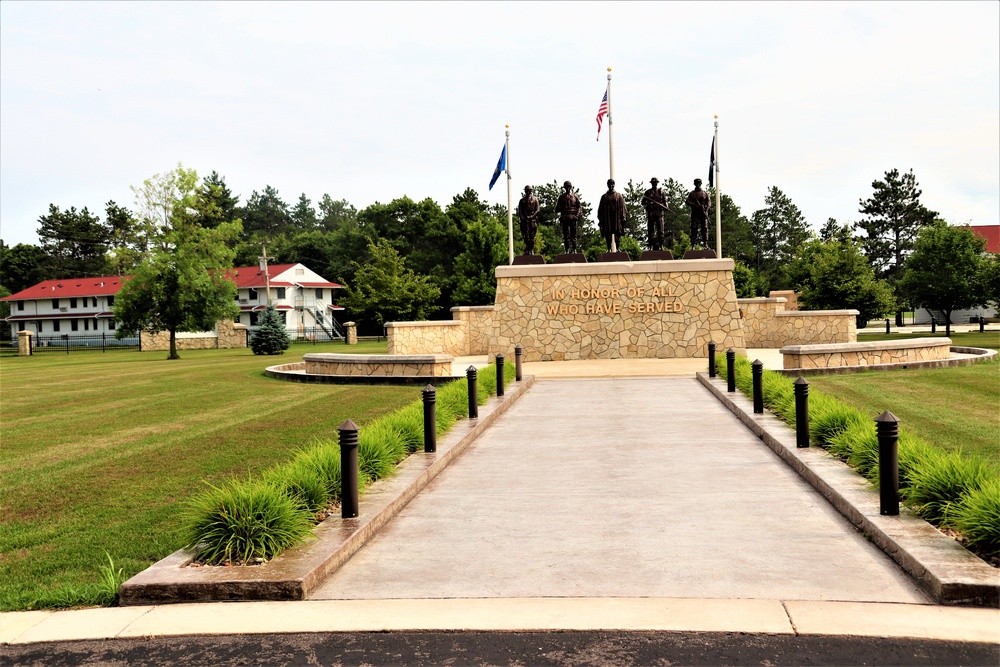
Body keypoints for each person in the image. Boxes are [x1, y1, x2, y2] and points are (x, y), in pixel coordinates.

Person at [597, 178, 627, 252]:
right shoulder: (604, 197)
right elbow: (600, 209)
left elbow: (623, 207)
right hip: (608, 218)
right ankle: (608, 248)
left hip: (616, 218)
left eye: (612, 184)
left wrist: (623, 216)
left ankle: (617, 248)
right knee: (608, 234)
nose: (611, 186)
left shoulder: (619, 196)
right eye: (609, 184)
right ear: (607, 185)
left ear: (614, 185)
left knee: (617, 234)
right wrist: (601, 219)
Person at [555, 180, 582, 254]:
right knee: (565, 235)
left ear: (571, 187)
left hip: (573, 217)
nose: (567, 188)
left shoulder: (575, 196)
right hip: (565, 217)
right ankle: (566, 250)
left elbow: (579, 207)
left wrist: (577, 215)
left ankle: (574, 249)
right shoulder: (561, 197)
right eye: (566, 187)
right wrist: (563, 208)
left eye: (569, 187)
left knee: (574, 235)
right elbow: (557, 209)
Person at [642, 177, 668, 251]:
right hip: (651, 213)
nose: (654, 184)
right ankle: (650, 246)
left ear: (657, 183)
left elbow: (665, 201)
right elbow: (643, 202)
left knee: (661, 231)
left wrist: (666, 206)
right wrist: (649, 203)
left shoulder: (661, 192)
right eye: (653, 183)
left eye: (655, 182)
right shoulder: (647, 192)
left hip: (659, 213)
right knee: (650, 231)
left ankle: (661, 245)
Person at [685, 178, 711, 248]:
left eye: (699, 183)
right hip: (695, 213)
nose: (698, 185)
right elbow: (687, 201)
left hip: (703, 213)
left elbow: (709, 203)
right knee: (694, 228)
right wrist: (694, 205)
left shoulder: (705, 193)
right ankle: (693, 244)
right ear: (695, 184)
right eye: (697, 183)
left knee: (704, 228)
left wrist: (706, 210)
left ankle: (705, 243)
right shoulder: (692, 194)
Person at [517, 185, 540, 255]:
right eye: (526, 191)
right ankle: (527, 249)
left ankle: (531, 250)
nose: (528, 192)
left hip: (532, 220)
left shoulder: (535, 199)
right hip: (524, 221)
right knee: (526, 236)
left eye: (529, 191)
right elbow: (520, 211)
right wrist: (523, 218)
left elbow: (537, 210)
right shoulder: (522, 201)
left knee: (532, 237)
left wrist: (532, 216)